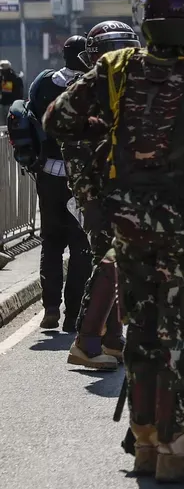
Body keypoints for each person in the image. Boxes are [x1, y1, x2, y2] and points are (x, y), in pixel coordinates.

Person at [45, 0, 184, 482]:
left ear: (149, 19)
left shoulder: (115, 68)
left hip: (129, 227)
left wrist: (108, 134)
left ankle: (143, 444)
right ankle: (176, 451)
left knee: (140, 330)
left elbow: (57, 120)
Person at [63, 21, 142, 370]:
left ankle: (112, 340)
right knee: (108, 263)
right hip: (97, 194)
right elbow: (74, 153)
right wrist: (90, 202)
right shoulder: (84, 93)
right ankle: (86, 341)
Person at [27, 37, 93, 332]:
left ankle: (51, 308)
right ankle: (73, 314)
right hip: (81, 179)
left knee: (51, 243)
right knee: (81, 247)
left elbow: (30, 117)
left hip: (48, 177)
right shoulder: (91, 85)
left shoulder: (43, 82)